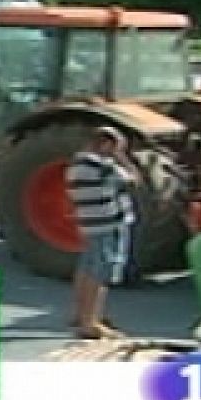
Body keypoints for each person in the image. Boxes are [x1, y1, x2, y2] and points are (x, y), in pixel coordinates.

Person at [66, 125, 136, 339]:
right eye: (115, 146)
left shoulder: (76, 165)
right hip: (106, 224)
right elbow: (132, 181)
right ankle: (91, 323)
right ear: (105, 145)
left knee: (86, 268)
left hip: (90, 223)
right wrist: (122, 158)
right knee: (100, 273)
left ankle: (80, 315)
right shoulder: (102, 166)